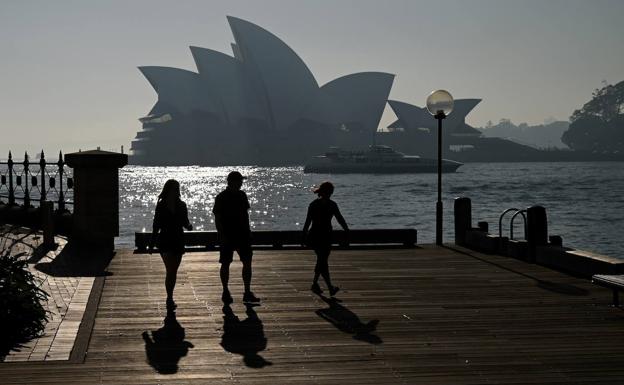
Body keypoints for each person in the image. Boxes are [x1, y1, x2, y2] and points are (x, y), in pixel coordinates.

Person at [213, 171, 260, 304]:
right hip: (228, 235)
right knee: (226, 263)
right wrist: (221, 234)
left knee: (246, 262)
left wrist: (248, 230)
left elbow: (245, 215)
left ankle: (246, 290)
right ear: (232, 181)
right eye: (239, 181)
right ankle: (226, 290)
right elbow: (218, 218)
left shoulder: (241, 195)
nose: (241, 183)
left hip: (242, 234)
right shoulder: (221, 197)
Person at [149, 179, 192, 310]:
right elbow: (156, 224)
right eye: (173, 189)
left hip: (178, 240)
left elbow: (185, 222)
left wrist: (189, 226)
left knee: (173, 271)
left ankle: (170, 297)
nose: (175, 191)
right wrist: (152, 242)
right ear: (167, 190)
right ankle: (169, 298)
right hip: (165, 240)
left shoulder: (182, 205)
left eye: (176, 189)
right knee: (170, 269)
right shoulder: (161, 205)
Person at [302, 181, 349, 296]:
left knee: (321, 260)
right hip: (325, 235)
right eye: (330, 192)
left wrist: (304, 236)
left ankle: (315, 284)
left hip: (316, 235)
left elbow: (308, 222)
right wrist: (347, 231)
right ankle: (329, 287)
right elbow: (340, 219)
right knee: (323, 261)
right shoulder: (332, 205)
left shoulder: (314, 204)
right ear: (328, 192)